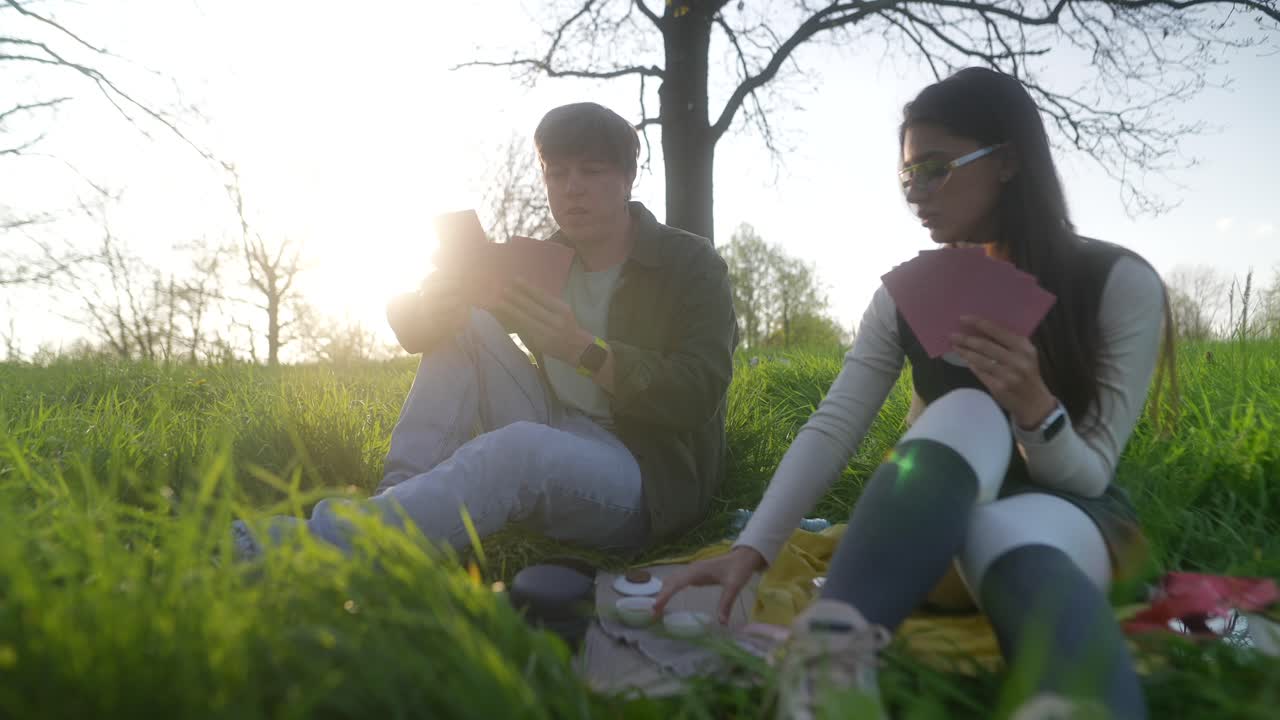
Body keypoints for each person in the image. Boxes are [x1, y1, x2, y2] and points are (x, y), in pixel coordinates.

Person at [653, 68, 1177, 720]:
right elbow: (835, 422)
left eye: (934, 169)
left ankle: (1072, 705)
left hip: (1071, 523)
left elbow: (1091, 475)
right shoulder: (904, 297)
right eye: (906, 177)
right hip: (924, 530)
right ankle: (829, 662)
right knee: (965, 409)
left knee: (1009, 525)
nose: (916, 194)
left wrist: (1036, 409)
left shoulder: (1116, 282)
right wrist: (752, 547)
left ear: (1008, 161)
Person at [233, 102, 738, 559]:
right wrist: (434, 309)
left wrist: (587, 351)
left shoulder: (690, 263)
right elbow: (411, 321)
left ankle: (297, 549)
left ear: (627, 178)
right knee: (465, 323)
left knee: (517, 451)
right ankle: (398, 505)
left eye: (591, 171)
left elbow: (701, 391)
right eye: (557, 173)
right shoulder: (543, 259)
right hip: (560, 420)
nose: (572, 187)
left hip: (645, 473)